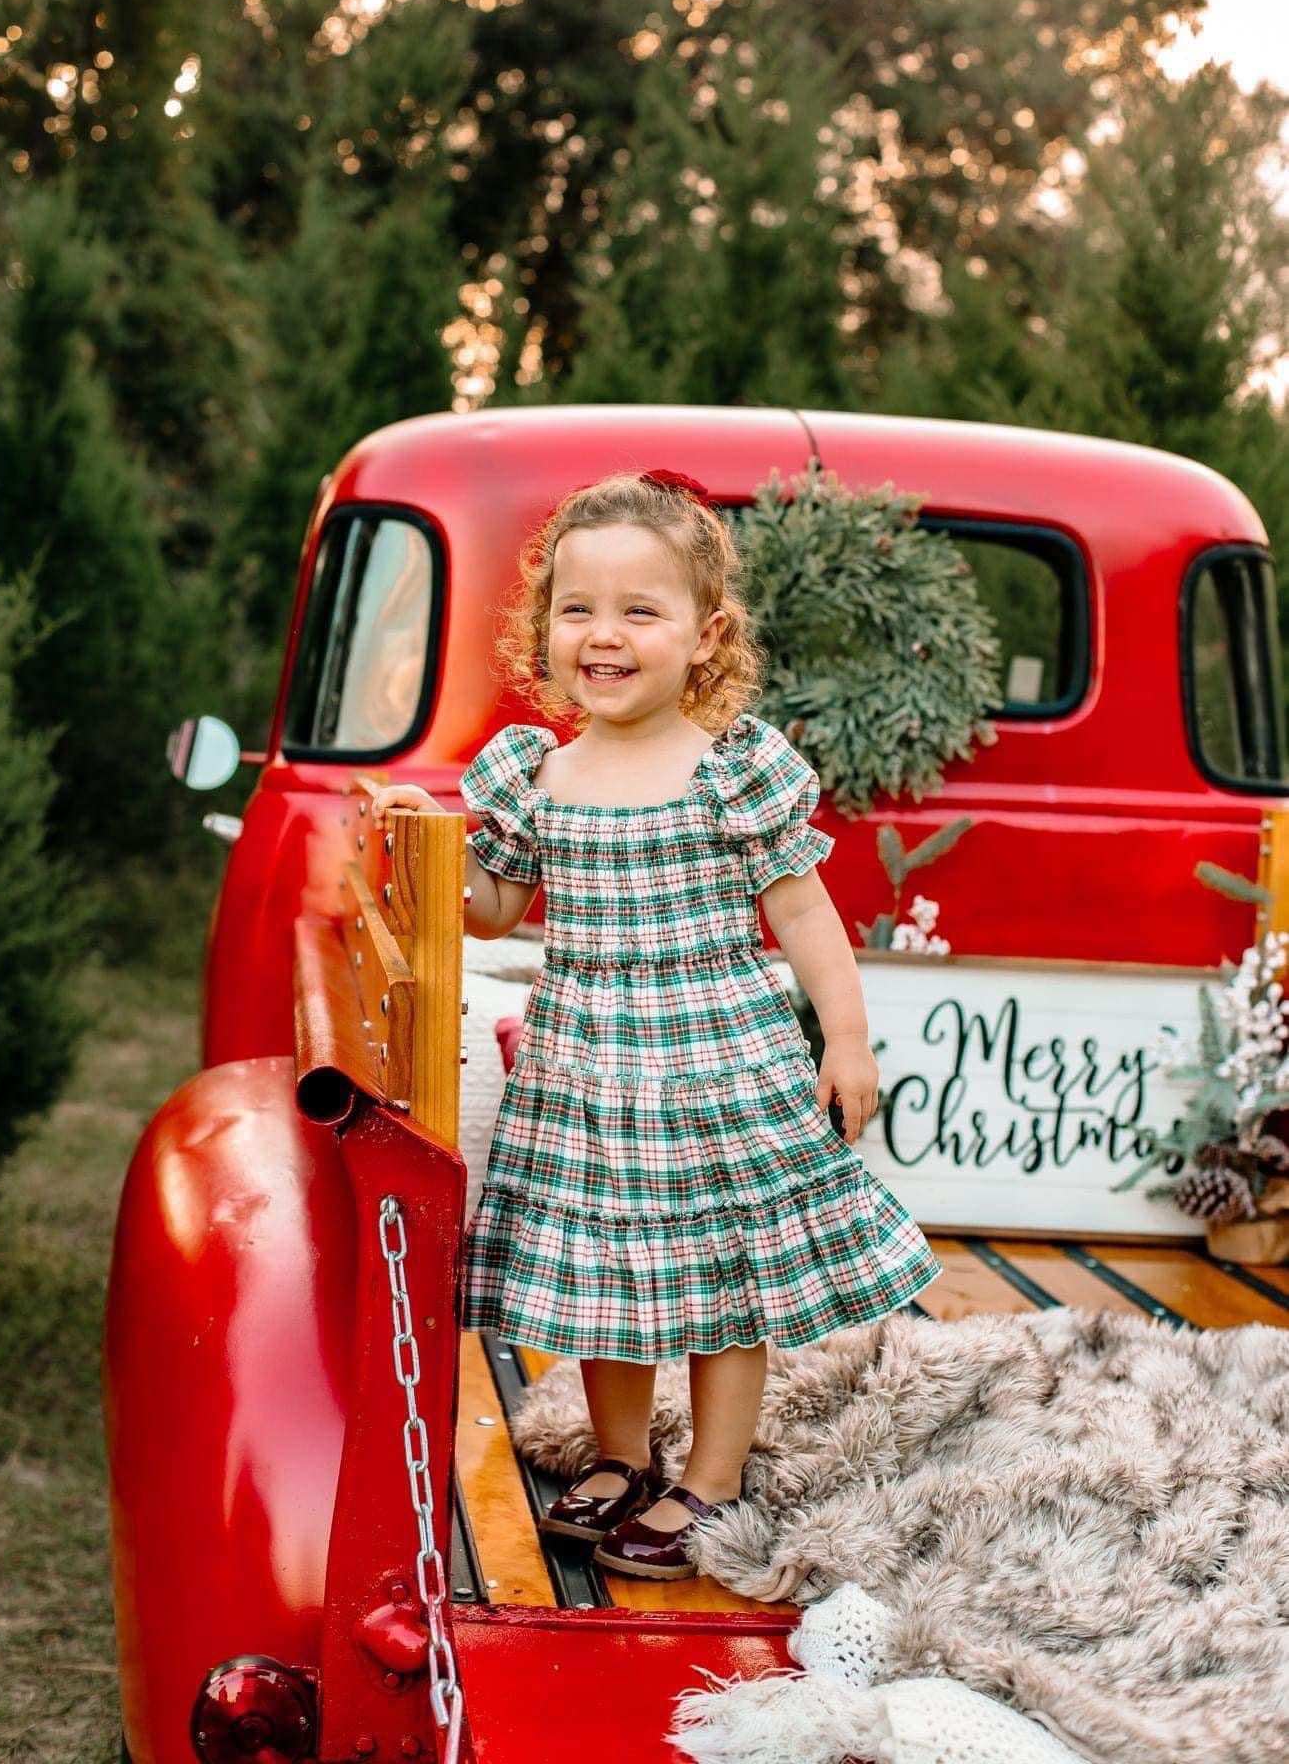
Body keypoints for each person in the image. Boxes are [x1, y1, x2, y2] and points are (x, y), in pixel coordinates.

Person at [371, 468, 942, 1581]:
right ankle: (622, 1458)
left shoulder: (728, 771)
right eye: (579, 607)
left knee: (729, 1278)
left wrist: (849, 1036)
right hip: (587, 1066)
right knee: (601, 1275)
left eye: (641, 609)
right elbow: (494, 902)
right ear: (545, 627)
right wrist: (425, 843)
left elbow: (803, 910)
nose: (606, 633)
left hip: (715, 1062)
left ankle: (712, 1480)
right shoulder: (540, 775)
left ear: (704, 633)